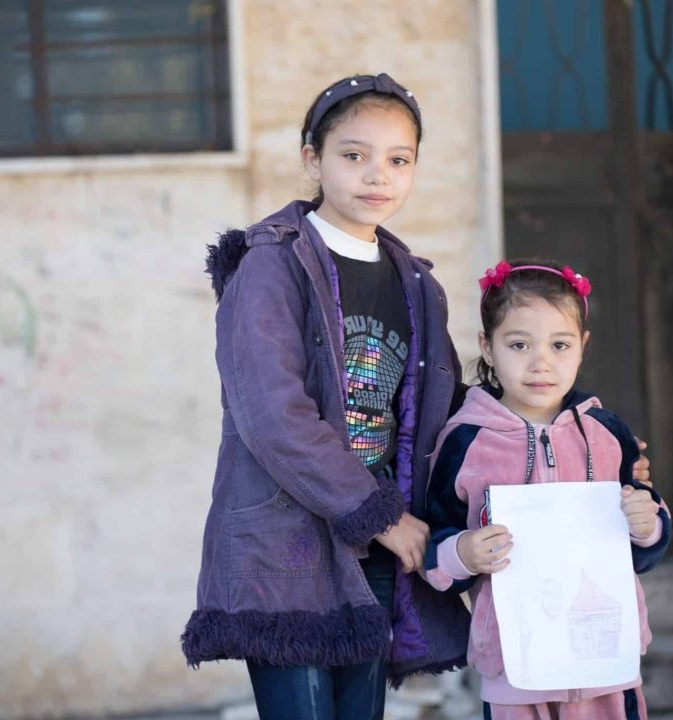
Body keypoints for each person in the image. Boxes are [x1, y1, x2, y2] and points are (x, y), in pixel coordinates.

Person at [180, 72, 473, 720]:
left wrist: (565, 437)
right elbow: (272, 414)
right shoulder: (271, 265)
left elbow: (448, 413)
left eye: (399, 160)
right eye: (354, 155)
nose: (378, 175)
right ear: (312, 158)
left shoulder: (417, 284)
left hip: (372, 552)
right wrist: (380, 512)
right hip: (288, 548)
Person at [422, 260, 671, 720]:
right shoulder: (464, 440)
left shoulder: (606, 432)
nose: (541, 363)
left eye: (560, 345)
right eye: (519, 344)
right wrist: (464, 553)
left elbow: (643, 544)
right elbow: (434, 545)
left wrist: (647, 525)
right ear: (488, 348)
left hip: (604, 659)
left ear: (583, 348)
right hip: (518, 666)